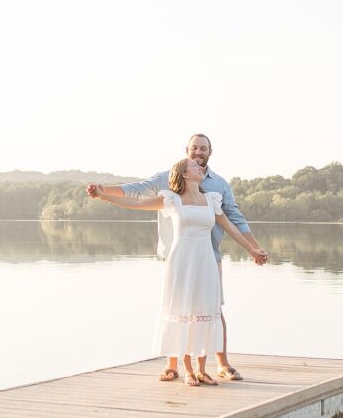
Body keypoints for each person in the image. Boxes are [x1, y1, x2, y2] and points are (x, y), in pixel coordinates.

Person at [87, 134, 267, 382]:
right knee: (180, 309)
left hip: (207, 258)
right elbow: (136, 196)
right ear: (186, 153)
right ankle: (179, 367)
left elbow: (232, 221)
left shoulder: (216, 191)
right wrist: (104, 193)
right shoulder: (168, 189)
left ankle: (212, 366)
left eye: (203, 149)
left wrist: (253, 249)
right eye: (194, 149)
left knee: (209, 309)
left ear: (210, 152)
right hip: (180, 258)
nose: (197, 153)